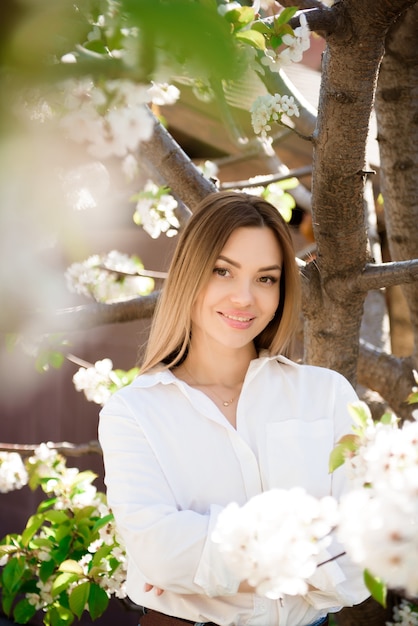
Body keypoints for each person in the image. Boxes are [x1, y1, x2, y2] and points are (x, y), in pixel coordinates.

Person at [98, 190, 369, 626]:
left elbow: (361, 553)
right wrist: (312, 550)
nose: (244, 297)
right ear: (190, 273)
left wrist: (203, 560)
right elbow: (161, 553)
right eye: (223, 271)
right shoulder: (134, 413)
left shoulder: (326, 396)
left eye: (266, 278)